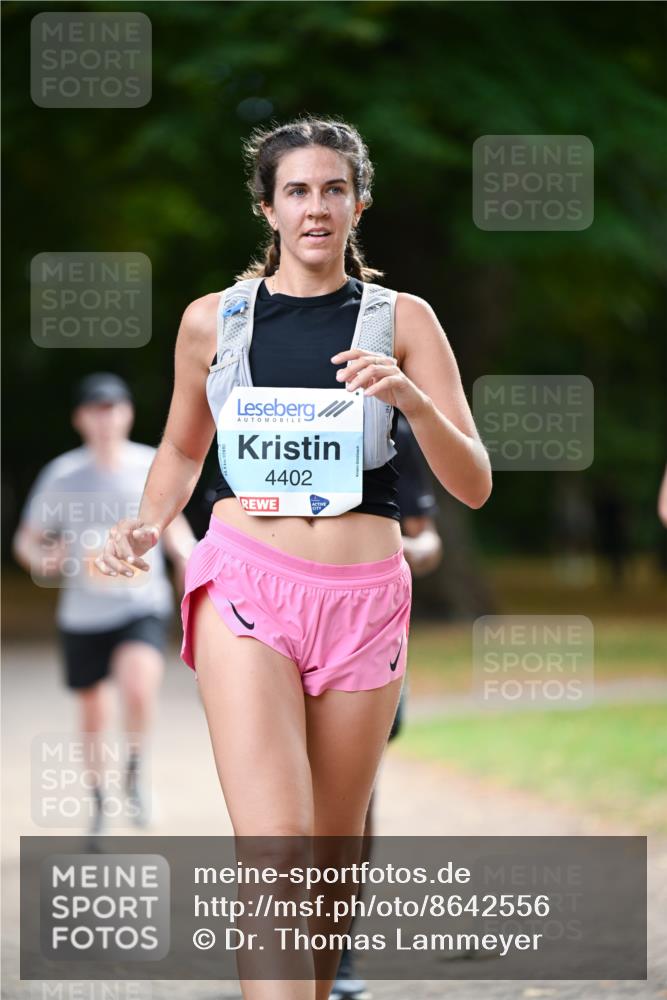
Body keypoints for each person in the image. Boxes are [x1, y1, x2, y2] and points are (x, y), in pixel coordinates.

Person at [95, 117, 492, 1000]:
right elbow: (181, 449)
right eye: (298, 191)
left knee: (328, 854)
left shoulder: (406, 321)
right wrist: (145, 520)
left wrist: (412, 401)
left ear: (359, 203)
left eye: (334, 189)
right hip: (246, 587)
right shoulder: (214, 322)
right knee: (275, 849)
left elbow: (472, 483)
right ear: (267, 208)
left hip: (363, 600)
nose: (316, 208)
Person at [12, 372, 196, 834]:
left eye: (114, 408)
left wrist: (191, 561)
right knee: (94, 712)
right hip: (83, 613)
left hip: (141, 604)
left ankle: (134, 769)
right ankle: (98, 801)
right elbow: (26, 541)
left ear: (128, 414)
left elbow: (176, 530)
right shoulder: (62, 475)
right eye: (96, 409)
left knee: (138, 686)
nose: (106, 418)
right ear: (80, 419)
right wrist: (42, 559)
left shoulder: (151, 465)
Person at [331, 411, 443, 999]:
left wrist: (388, 544)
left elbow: (427, 540)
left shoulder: (390, 427)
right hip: (272, 621)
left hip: (368, 632)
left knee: (354, 796)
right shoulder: (251, 414)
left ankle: (340, 943)